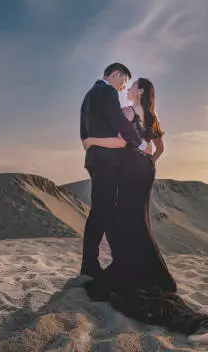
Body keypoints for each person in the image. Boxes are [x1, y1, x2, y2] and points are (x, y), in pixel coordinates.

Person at [81, 77, 208, 335]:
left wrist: (92, 143)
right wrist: (149, 160)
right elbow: (160, 148)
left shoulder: (128, 111)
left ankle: (130, 265)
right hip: (146, 170)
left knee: (125, 217)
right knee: (139, 218)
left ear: (140, 91)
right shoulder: (153, 116)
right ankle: (147, 266)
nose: (129, 89)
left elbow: (121, 142)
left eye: (132, 87)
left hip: (130, 169)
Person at [79, 62, 147, 278]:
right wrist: (138, 142)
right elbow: (118, 121)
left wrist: (90, 143)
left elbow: (84, 132)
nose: (122, 87)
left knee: (102, 210)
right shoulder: (107, 91)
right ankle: (90, 264)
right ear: (115, 74)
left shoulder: (88, 96)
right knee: (101, 211)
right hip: (107, 161)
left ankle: (102, 260)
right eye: (123, 81)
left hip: (94, 159)